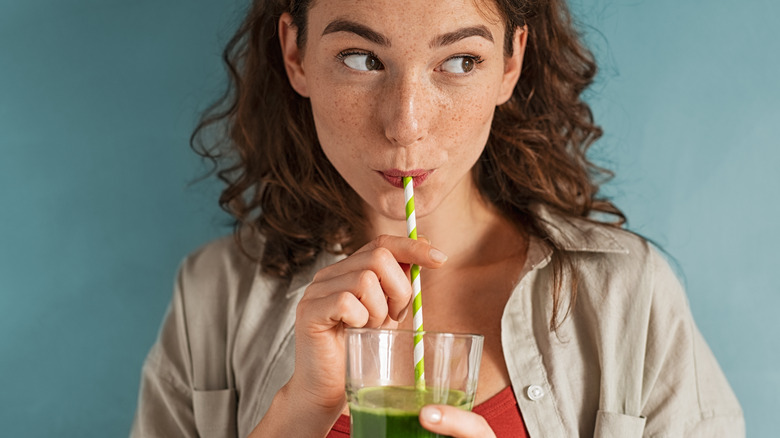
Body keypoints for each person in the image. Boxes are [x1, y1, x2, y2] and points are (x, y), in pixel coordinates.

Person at [131, 0, 744, 436]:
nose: (405, 124)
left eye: (459, 62)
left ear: (510, 62)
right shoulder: (212, 296)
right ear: (295, 54)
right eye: (361, 58)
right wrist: (298, 411)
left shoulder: (628, 296)